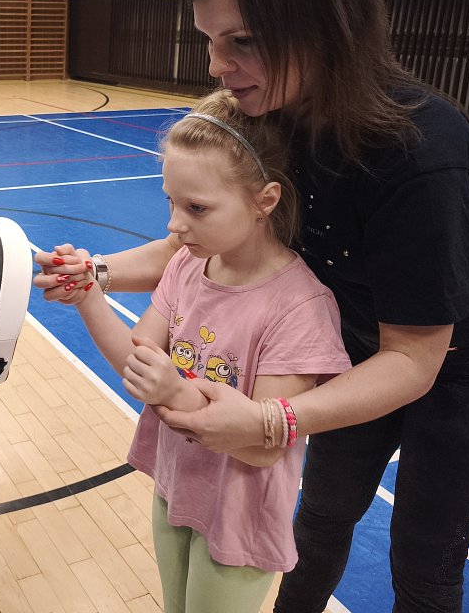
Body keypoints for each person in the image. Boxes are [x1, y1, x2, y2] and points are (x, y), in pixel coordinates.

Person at [35, 0, 469, 613]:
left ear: (325, 25)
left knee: (425, 560)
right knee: (322, 517)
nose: (216, 65)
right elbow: (186, 248)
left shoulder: (422, 156)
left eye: (240, 41)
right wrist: (95, 274)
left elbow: (415, 359)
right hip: (362, 336)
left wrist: (274, 421)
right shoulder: (270, 117)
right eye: (210, 39)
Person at [75, 89, 352, 612]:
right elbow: (139, 362)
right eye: (171, 201)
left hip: (239, 518)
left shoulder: (299, 307)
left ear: (264, 200)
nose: (174, 225)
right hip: (177, 484)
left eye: (197, 208)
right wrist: (88, 294)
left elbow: (263, 446)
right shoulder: (186, 265)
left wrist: (176, 392)